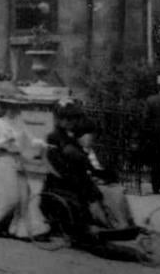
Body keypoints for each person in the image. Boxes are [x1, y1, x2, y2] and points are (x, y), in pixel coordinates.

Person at [0, 95, 49, 239]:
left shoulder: (21, 124)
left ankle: (22, 229)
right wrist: (4, 141)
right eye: (11, 106)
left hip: (19, 159)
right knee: (12, 196)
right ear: (5, 107)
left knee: (25, 196)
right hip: (3, 159)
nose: (14, 109)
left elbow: (31, 139)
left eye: (17, 107)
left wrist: (42, 144)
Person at [41, 101, 104, 243]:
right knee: (85, 193)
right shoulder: (54, 137)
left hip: (75, 176)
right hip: (61, 179)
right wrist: (73, 176)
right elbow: (55, 162)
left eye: (73, 119)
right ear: (60, 119)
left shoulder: (71, 136)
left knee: (99, 192)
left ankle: (104, 223)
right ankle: (88, 226)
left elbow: (82, 159)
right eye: (68, 119)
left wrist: (92, 172)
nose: (71, 122)